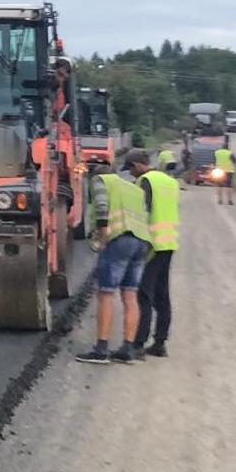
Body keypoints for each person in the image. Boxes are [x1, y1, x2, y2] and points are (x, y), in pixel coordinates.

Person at [77, 149, 152, 365]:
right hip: (141, 242)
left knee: (106, 293)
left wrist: (102, 237)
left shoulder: (100, 180)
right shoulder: (131, 187)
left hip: (120, 240)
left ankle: (101, 349)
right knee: (130, 295)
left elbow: (101, 207)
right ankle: (127, 348)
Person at [133, 151, 182, 358]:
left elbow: (142, 211)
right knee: (162, 295)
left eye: (132, 169)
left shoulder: (145, 181)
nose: (132, 174)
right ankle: (160, 342)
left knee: (144, 294)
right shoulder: (171, 182)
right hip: (169, 242)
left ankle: (138, 344)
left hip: (151, 243)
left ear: (138, 165)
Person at [214, 138, 236, 205]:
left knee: (219, 186)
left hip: (219, 171)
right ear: (228, 148)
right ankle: (229, 200)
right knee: (229, 186)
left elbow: (215, 160)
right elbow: (235, 161)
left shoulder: (217, 152)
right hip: (229, 171)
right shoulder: (229, 153)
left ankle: (220, 200)